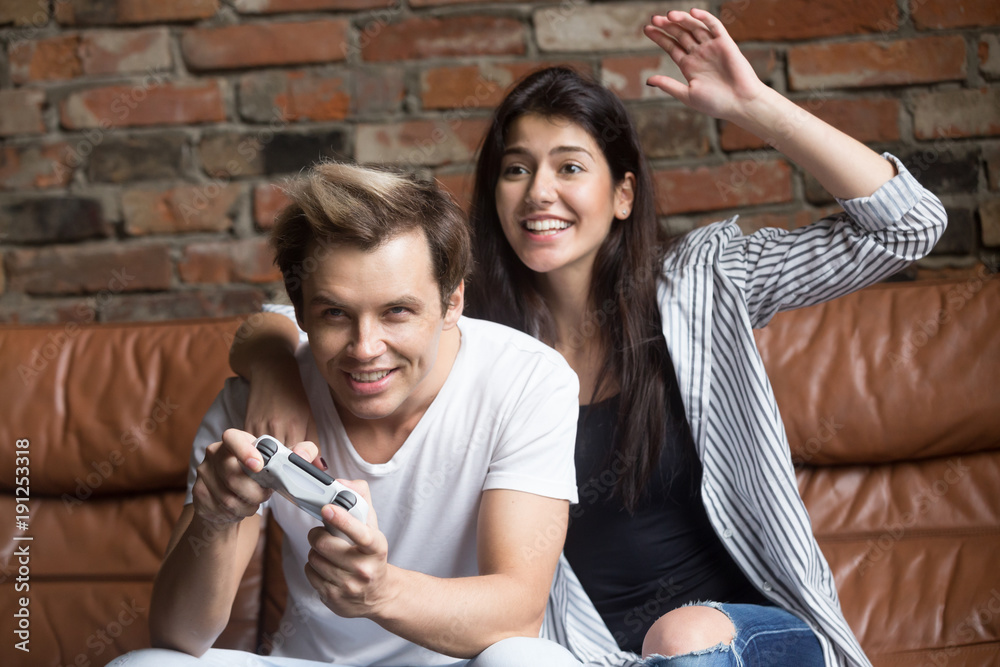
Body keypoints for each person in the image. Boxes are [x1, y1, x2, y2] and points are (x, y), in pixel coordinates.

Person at [227, 8, 947, 667]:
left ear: (622, 194)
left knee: (682, 637)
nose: (539, 192)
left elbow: (909, 225)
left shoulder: (703, 285)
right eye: (516, 169)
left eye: (570, 166)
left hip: (745, 635)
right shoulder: (479, 341)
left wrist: (754, 106)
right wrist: (273, 365)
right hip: (592, 653)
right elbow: (304, 311)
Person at [110, 162, 590, 667]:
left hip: (462, 663)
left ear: (452, 303)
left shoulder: (527, 381)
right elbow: (177, 636)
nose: (365, 349)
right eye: (335, 313)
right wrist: (214, 518)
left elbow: (518, 614)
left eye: (397, 312)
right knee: (144, 666)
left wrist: (380, 591)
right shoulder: (255, 403)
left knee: (529, 661)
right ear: (300, 313)